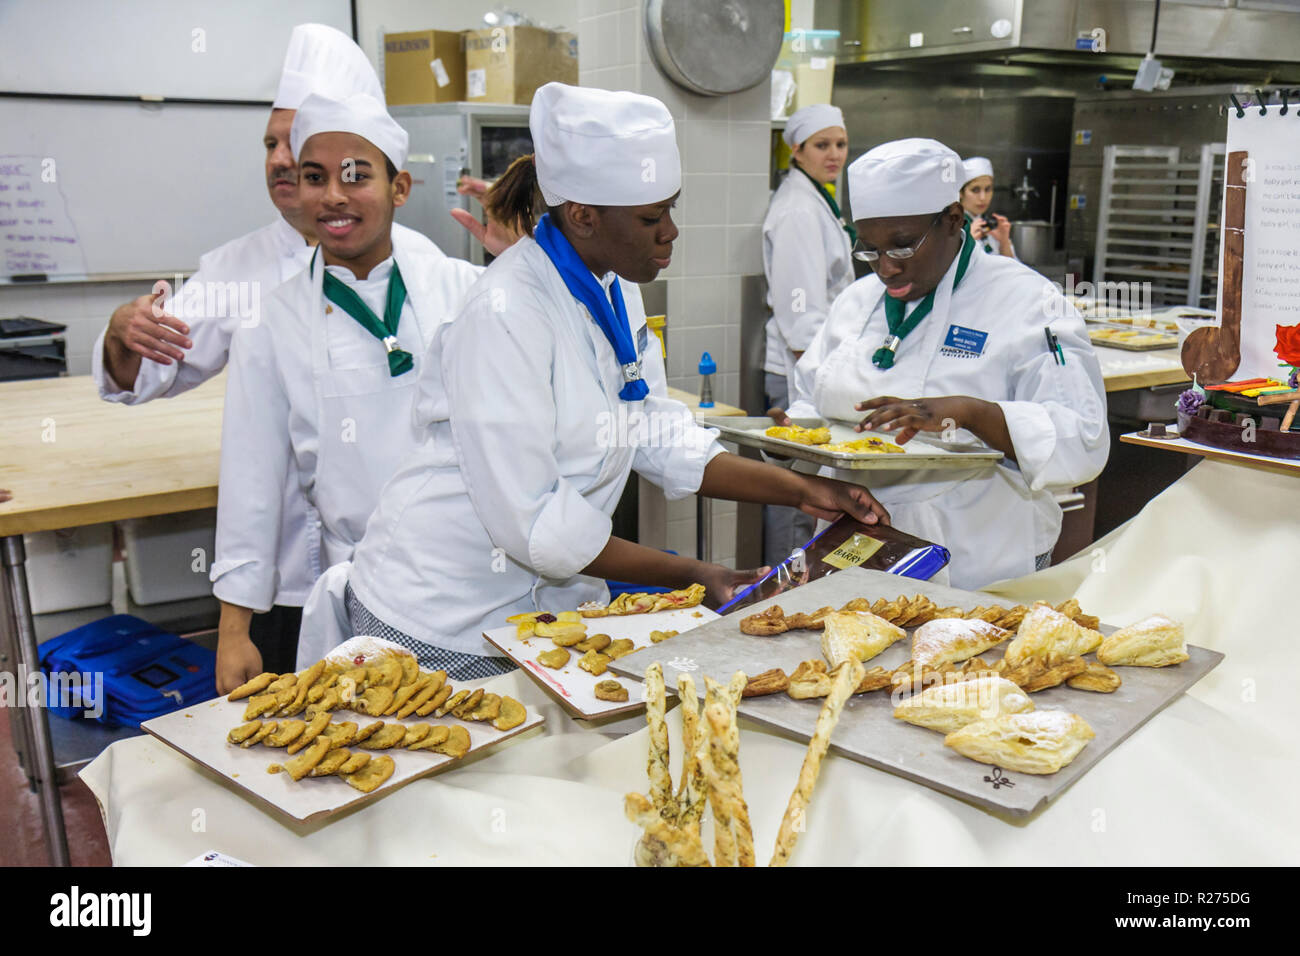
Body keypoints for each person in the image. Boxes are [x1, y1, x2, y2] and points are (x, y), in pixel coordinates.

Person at [301, 83, 889, 678]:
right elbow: (534, 522)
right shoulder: (505, 314)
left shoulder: (612, 285)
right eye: (651, 217)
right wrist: (697, 575)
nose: (671, 233)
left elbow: (652, 426)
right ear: (582, 215)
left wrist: (804, 490)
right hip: (441, 614)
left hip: (538, 606)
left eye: (671, 210)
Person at [89, 24, 387, 674]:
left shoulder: (417, 269)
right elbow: (143, 374)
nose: (280, 159)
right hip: (277, 586)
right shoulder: (239, 269)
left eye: (297, 142)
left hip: (395, 577)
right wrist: (123, 333)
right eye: (270, 143)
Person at [212, 92, 487, 693]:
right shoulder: (271, 322)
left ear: (400, 188)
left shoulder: (465, 289)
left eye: (356, 175)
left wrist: (530, 263)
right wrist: (235, 630)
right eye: (315, 178)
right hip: (363, 593)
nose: (332, 195)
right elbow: (250, 479)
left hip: (473, 584)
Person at [774, 138, 1108, 590]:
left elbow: (1083, 438)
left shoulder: (1027, 301)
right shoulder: (857, 303)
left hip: (981, 555)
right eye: (869, 250)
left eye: (903, 246)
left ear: (954, 220)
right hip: (857, 552)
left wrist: (972, 413)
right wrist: (786, 439)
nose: (886, 268)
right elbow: (811, 402)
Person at [761, 104, 855, 568]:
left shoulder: (819, 197)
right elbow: (801, 319)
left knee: (808, 498)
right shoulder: (799, 209)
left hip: (815, 369)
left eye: (840, 143)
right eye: (822, 145)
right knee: (800, 498)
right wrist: (818, 386)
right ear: (797, 150)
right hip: (801, 374)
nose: (834, 154)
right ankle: (782, 593)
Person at [960, 156, 1015, 258]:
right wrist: (965, 244)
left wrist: (1004, 242)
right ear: (960, 192)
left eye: (988, 189)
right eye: (975, 190)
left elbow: (1013, 270)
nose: (983, 197)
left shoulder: (991, 225)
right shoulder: (952, 228)